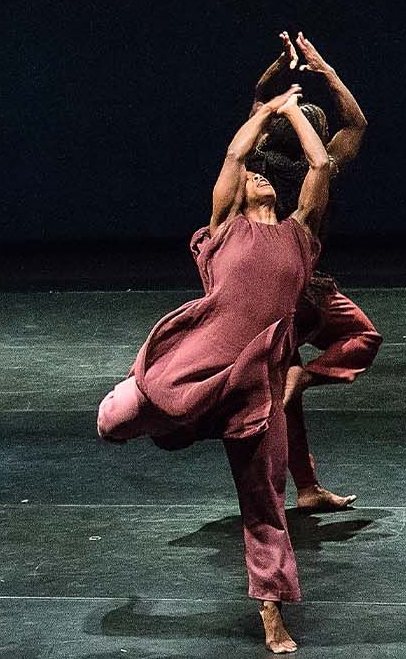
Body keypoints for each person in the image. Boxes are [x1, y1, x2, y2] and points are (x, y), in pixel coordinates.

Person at [97, 84, 331, 653]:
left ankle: (272, 614)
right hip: (195, 367)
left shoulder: (301, 234)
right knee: (110, 422)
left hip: (255, 387)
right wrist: (265, 111)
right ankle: (159, 410)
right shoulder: (222, 227)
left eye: (263, 173)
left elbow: (321, 161)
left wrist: (294, 113)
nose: (256, 175)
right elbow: (233, 156)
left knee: (265, 504)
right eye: (251, 175)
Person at [250, 32, 378, 511]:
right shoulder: (317, 171)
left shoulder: (256, 167)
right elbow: (357, 124)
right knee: (362, 338)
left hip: (266, 296)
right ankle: (307, 377)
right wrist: (325, 72)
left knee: (285, 391)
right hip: (305, 292)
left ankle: (304, 488)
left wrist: (274, 75)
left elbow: (258, 104)